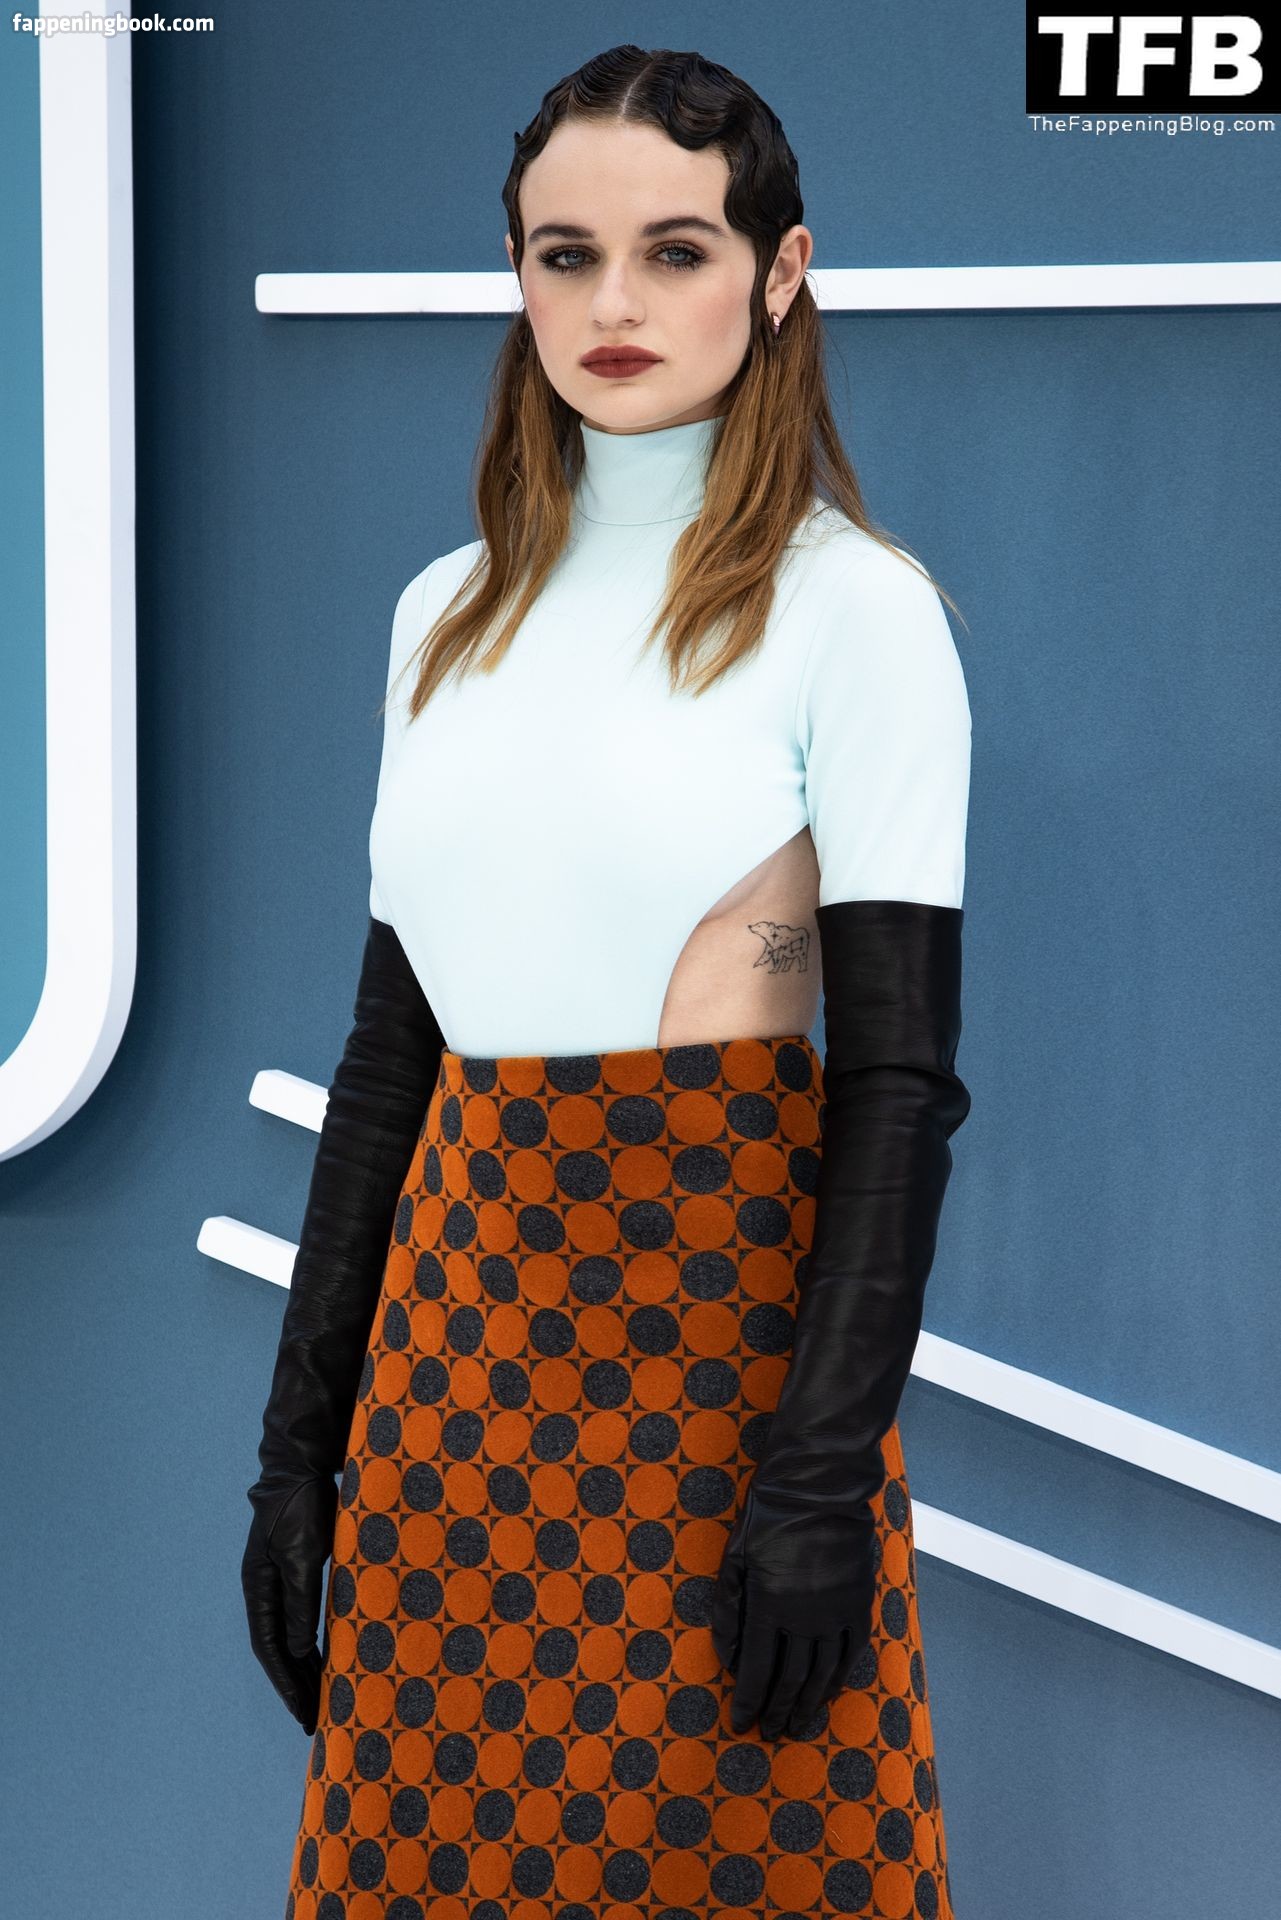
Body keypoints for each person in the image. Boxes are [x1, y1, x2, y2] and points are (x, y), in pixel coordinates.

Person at [242, 43, 972, 1920]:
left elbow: (897, 1086)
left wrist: (815, 1483)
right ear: (516, 273)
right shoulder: (440, 614)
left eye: (674, 249)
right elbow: (388, 1063)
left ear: (780, 270)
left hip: (718, 1384)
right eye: (564, 255)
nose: (613, 303)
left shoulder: (853, 609)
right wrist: (293, 1457)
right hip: (449, 1381)